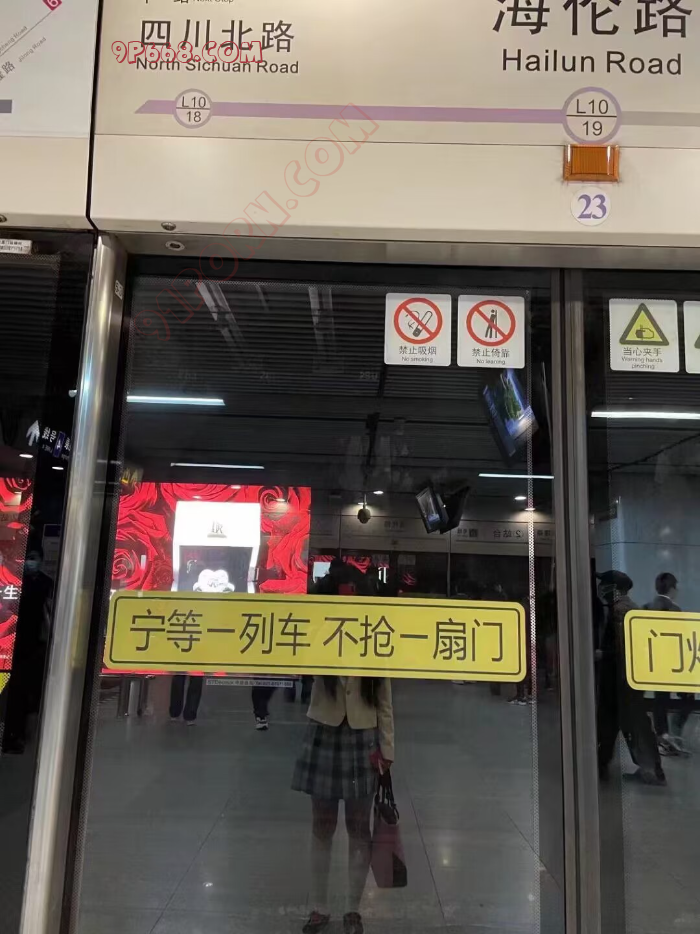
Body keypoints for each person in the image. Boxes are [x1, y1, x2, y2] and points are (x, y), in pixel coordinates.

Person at [292, 675, 394, 934]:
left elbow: (384, 699)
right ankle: (319, 907)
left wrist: (388, 748)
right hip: (323, 730)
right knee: (321, 825)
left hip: (364, 737)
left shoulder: (375, 650)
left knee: (359, 828)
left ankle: (353, 910)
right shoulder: (320, 646)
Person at [596, 570, 666, 785]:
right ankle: (605, 766)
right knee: (620, 723)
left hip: (621, 679)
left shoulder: (621, 611)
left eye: (604, 584)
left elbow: (624, 647)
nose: (600, 588)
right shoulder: (625, 608)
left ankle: (651, 771)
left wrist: (603, 654)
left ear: (614, 588)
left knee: (631, 725)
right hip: (624, 679)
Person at [645, 572, 693, 756]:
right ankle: (674, 732)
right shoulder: (674, 609)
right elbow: (681, 639)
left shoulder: (647, 607)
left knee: (660, 699)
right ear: (672, 589)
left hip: (654, 662)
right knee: (687, 696)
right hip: (673, 663)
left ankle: (663, 735)